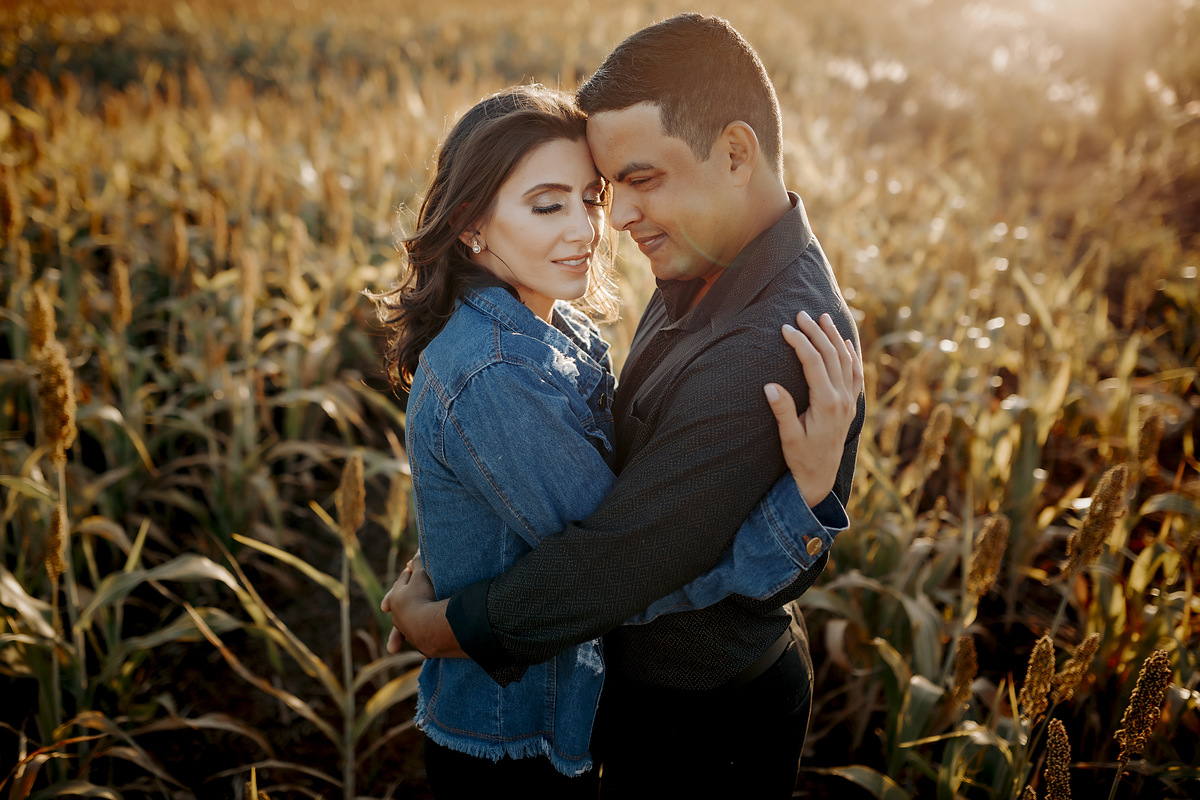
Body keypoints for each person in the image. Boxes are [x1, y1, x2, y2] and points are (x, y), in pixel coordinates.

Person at [379, 38, 863, 796]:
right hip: (592, 716)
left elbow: (620, 565)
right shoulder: (702, 261)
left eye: (623, 186)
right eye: (602, 191)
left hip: (706, 722)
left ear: (736, 153)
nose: (608, 222)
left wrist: (443, 627)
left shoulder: (767, 350)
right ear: (474, 225)